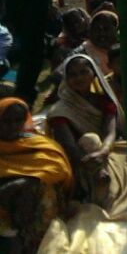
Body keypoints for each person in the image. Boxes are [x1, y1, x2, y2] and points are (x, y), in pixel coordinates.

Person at [46, 54, 127, 218]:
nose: (79, 78)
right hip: (81, 158)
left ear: (94, 74)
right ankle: (99, 193)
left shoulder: (103, 100)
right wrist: (93, 163)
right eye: (73, 75)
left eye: (83, 72)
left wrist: (103, 152)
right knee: (90, 139)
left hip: (106, 150)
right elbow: (69, 146)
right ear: (66, 79)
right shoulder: (60, 110)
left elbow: (110, 131)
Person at [0, 98, 74, 252]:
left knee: (41, 187)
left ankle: (34, 241)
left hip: (33, 200)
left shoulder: (38, 144)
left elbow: (58, 169)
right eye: (6, 121)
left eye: (18, 120)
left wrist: (21, 182)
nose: (13, 126)